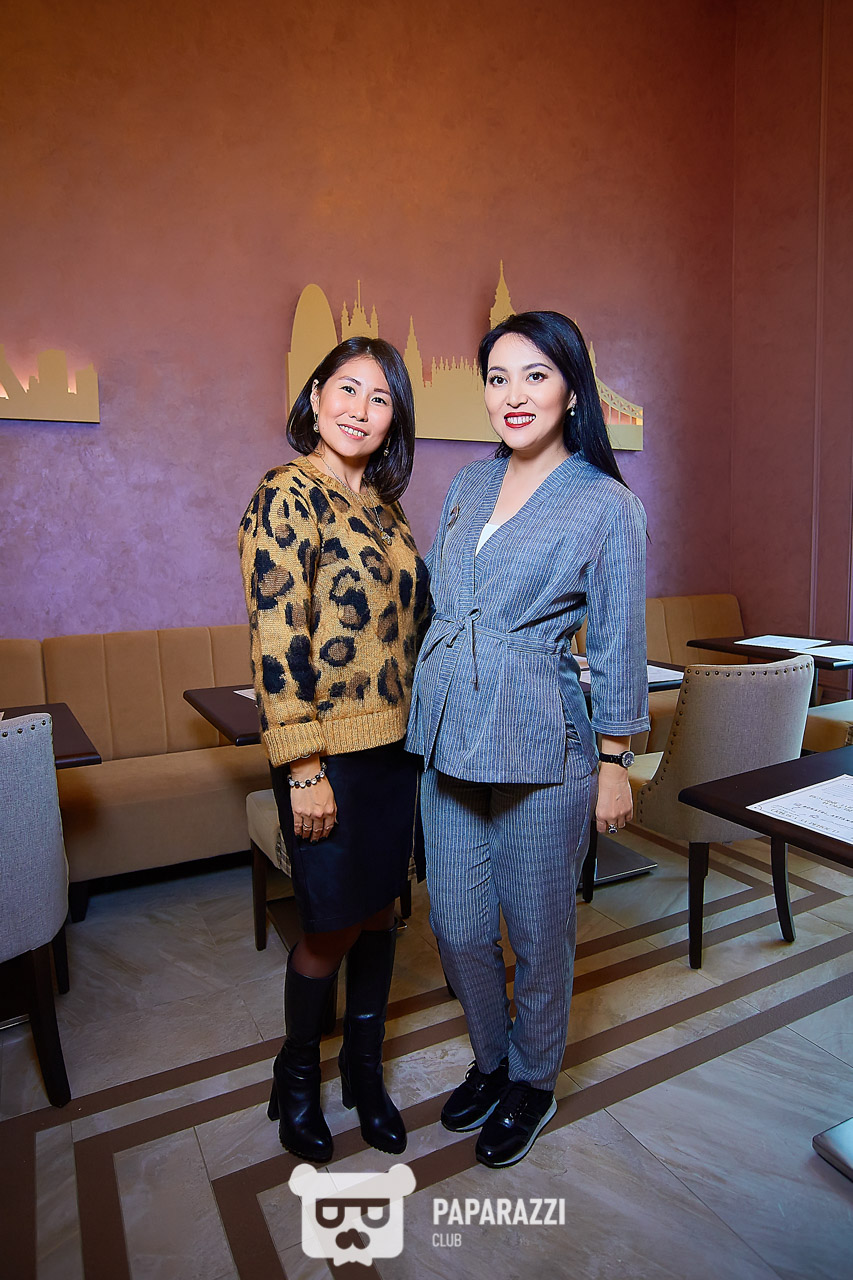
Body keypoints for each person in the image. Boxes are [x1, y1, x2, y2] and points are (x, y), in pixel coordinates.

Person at [407, 311, 648, 1168]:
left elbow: (617, 643)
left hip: (542, 741)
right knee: (457, 924)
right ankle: (493, 1059)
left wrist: (614, 761)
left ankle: (533, 1082)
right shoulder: (467, 484)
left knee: (540, 933)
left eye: (535, 375)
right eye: (497, 377)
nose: (513, 394)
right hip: (448, 733)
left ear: (572, 389)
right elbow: (437, 600)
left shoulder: (607, 505)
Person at [239, 336, 430, 1163]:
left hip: (395, 750)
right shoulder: (284, 494)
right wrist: (303, 769)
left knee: (381, 913)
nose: (359, 409)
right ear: (314, 397)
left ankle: (363, 1071)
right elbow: (277, 640)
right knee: (326, 928)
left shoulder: (387, 510)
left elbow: (415, 630)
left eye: (379, 398)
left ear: (394, 420)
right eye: (346, 389)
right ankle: (296, 1081)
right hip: (325, 757)